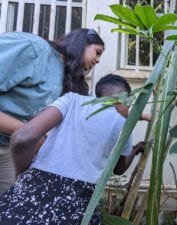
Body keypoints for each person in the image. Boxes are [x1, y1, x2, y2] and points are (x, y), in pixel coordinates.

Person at [0, 74, 149, 224]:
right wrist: (135, 150)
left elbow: (21, 138)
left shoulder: (71, 100)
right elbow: (119, 168)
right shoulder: (123, 123)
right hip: (79, 196)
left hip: (35, 183)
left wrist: (22, 175)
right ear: (124, 99)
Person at [0, 28, 105, 194]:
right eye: (97, 52)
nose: (98, 60)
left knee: (9, 204)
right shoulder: (34, 48)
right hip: (10, 141)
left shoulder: (63, 75)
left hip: (6, 146)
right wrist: (30, 132)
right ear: (81, 43)